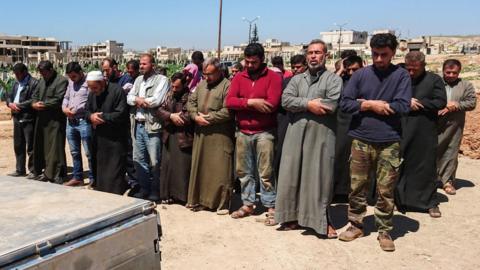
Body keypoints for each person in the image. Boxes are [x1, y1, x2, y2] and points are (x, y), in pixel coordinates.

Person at [339, 33, 411, 252]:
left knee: (385, 189)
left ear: (393, 53)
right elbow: (346, 103)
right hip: (361, 139)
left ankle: (384, 229)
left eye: (384, 55)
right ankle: (356, 224)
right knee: (357, 186)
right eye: (375, 54)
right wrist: (370, 105)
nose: (379, 59)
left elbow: (403, 105)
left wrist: (379, 105)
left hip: (389, 141)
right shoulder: (360, 75)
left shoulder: (401, 76)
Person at [275, 39, 342, 237]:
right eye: (310, 53)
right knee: (291, 174)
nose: (313, 56)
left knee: (319, 177)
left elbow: (331, 104)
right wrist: (309, 104)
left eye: (318, 52)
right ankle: (290, 217)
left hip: (321, 134)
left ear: (325, 55)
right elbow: (286, 100)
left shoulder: (333, 80)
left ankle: (319, 221)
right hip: (295, 133)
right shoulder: (296, 79)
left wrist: (302, 104)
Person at [226, 43, 282, 224]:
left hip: (264, 132)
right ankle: (248, 204)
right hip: (243, 131)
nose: (249, 65)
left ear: (262, 60)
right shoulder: (239, 77)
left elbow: (271, 104)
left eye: (253, 62)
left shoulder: (273, 77)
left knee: (266, 172)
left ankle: (270, 206)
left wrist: (248, 102)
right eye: (247, 62)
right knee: (244, 171)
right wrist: (251, 102)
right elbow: (230, 101)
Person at [396, 51, 447, 218]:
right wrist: (405, 101)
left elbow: (440, 102)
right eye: (408, 69)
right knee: (402, 165)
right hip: (402, 128)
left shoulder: (434, 80)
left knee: (426, 166)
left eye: (415, 70)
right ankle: (401, 200)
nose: (411, 73)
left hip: (425, 130)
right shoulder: (401, 78)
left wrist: (420, 104)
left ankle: (429, 203)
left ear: (423, 66)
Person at [186, 57, 235, 214]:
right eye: (205, 74)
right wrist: (195, 116)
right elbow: (191, 102)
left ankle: (221, 204)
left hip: (220, 135)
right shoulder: (201, 84)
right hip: (201, 134)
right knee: (201, 167)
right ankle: (200, 200)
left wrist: (209, 118)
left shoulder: (228, 86)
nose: (207, 77)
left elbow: (228, 111)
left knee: (220, 170)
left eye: (210, 74)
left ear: (219, 71)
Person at [127, 54, 170, 201]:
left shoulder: (162, 80)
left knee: (155, 162)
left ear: (152, 65)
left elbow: (156, 100)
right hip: (137, 125)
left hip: (152, 126)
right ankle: (144, 189)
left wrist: (137, 100)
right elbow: (129, 98)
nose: (141, 66)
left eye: (144, 64)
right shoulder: (138, 80)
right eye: (140, 64)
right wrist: (140, 100)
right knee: (139, 159)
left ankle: (156, 191)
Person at [85, 71, 129, 194]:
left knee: (114, 173)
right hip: (98, 139)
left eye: (95, 87)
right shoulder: (92, 94)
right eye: (91, 88)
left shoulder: (117, 91)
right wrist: (91, 117)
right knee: (100, 170)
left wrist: (103, 118)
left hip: (115, 140)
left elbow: (121, 114)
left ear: (102, 82)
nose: (93, 90)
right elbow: (86, 111)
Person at [437, 59, 477, 195]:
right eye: (448, 72)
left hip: (455, 125)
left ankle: (447, 181)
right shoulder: (435, 83)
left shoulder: (466, 85)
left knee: (451, 151)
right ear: (443, 71)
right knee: (431, 151)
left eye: (455, 73)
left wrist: (456, 105)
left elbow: (472, 103)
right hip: (434, 124)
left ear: (459, 72)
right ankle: (430, 179)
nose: (451, 75)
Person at [156, 72, 194, 204]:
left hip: (183, 136)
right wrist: (171, 116)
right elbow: (159, 110)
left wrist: (177, 117)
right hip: (169, 135)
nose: (174, 89)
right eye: (172, 86)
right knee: (168, 166)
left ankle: (182, 197)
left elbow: (190, 115)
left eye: (177, 87)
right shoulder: (169, 95)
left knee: (182, 168)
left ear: (184, 85)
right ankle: (168, 195)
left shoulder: (191, 97)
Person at [31, 60, 68, 183]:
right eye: (41, 73)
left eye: (44, 73)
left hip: (55, 120)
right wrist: (34, 103)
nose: (43, 76)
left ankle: (58, 174)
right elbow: (35, 95)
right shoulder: (41, 80)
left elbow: (59, 99)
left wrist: (44, 104)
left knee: (55, 147)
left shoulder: (61, 80)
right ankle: (47, 172)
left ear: (51, 70)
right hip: (42, 119)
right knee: (43, 147)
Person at [333, 55, 364, 198]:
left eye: (355, 69)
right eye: (348, 70)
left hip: (361, 125)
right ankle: (339, 192)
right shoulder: (340, 81)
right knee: (340, 157)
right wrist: (339, 72)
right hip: (342, 125)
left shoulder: (366, 81)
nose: (351, 73)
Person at [274, 54, 307, 178]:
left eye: (298, 67)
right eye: (293, 67)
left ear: (305, 66)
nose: (295, 70)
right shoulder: (286, 82)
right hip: (285, 120)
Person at [62, 62, 94, 186]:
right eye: (70, 77)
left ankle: (93, 177)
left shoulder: (88, 82)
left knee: (89, 152)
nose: (72, 79)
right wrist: (64, 108)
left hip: (83, 121)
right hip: (70, 121)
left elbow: (90, 100)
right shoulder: (70, 83)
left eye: (74, 76)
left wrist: (77, 109)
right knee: (74, 152)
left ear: (81, 72)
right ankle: (78, 177)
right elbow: (66, 97)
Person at [6, 63, 38, 178]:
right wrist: (10, 103)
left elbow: (33, 99)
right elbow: (8, 95)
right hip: (16, 117)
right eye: (15, 74)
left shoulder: (34, 83)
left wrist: (18, 105)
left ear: (25, 72)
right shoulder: (15, 83)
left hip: (28, 117)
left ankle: (33, 170)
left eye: (18, 74)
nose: (16, 76)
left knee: (31, 146)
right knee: (18, 145)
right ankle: (20, 169)